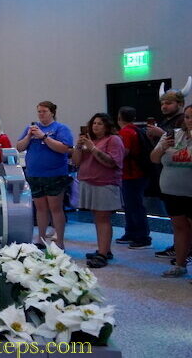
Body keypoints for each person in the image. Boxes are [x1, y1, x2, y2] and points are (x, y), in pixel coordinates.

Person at [16, 101, 73, 249]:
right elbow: (19, 147)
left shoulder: (60, 128)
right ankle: (40, 239)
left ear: (52, 112)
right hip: (35, 174)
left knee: (55, 208)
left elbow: (64, 149)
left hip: (55, 175)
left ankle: (59, 241)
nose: (41, 114)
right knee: (40, 208)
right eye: (39, 112)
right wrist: (29, 135)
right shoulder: (32, 129)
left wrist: (43, 137)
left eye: (44, 111)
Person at [72, 113, 125, 268]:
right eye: (94, 123)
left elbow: (112, 162)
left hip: (105, 184)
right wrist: (78, 146)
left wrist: (92, 148)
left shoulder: (113, 140)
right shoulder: (90, 140)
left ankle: (102, 254)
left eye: (100, 124)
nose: (96, 126)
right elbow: (76, 162)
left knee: (103, 219)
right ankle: (104, 249)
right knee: (97, 218)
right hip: (88, 182)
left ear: (107, 126)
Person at [148, 78, 191, 260]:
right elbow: (154, 157)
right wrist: (162, 143)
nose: (164, 106)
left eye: (169, 103)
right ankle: (180, 257)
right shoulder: (171, 129)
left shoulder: (178, 124)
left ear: (180, 104)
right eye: (162, 103)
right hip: (171, 184)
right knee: (178, 224)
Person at [116, 106, 152, 249]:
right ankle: (131, 232)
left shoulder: (125, 132)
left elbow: (123, 153)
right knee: (131, 205)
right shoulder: (137, 130)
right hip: (136, 173)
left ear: (119, 118)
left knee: (135, 205)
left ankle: (142, 236)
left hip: (132, 174)